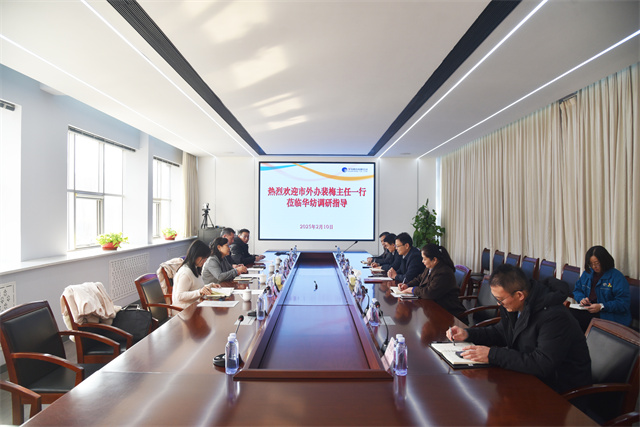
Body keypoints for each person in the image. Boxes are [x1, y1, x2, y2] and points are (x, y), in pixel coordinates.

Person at [446, 264, 591, 393]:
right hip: (530, 378)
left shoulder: (554, 316)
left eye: (500, 300)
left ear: (519, 295)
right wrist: (468, 334)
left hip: (559, 391)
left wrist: (493, 355)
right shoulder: (518, 304)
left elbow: (542, 363)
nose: (498, 304)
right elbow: (500, 332)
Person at [399, 244, 467, 321]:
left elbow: (429, 293)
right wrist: (407, 285)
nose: (422, 261)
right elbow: (419, 278)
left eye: (424, 259)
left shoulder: (443, 272)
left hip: (448, 313)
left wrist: (412, 290)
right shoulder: (430, 267)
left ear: (434, 260)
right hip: (434, 307)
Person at [572, 245, 631, 330]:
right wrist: (582, 299)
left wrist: (601, 306)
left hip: (609, 315)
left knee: (576, 321)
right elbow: (577, 290)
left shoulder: (616, 277)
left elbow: (623, 303)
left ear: (604, 261)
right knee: (567, 314)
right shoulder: (587, 273)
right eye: (591, 264)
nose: (594, 267)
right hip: (589, 309)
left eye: (597, 263)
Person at [172, 240, 221, 309]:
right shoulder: (185, 272)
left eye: (206, 259)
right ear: (195, 255)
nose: (204, 261)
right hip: (184, 310)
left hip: (194, 306)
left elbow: (196, 288)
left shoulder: (195, 268)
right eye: (203, 258)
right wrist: (199, 292)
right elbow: (179, 296)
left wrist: (210, 285)